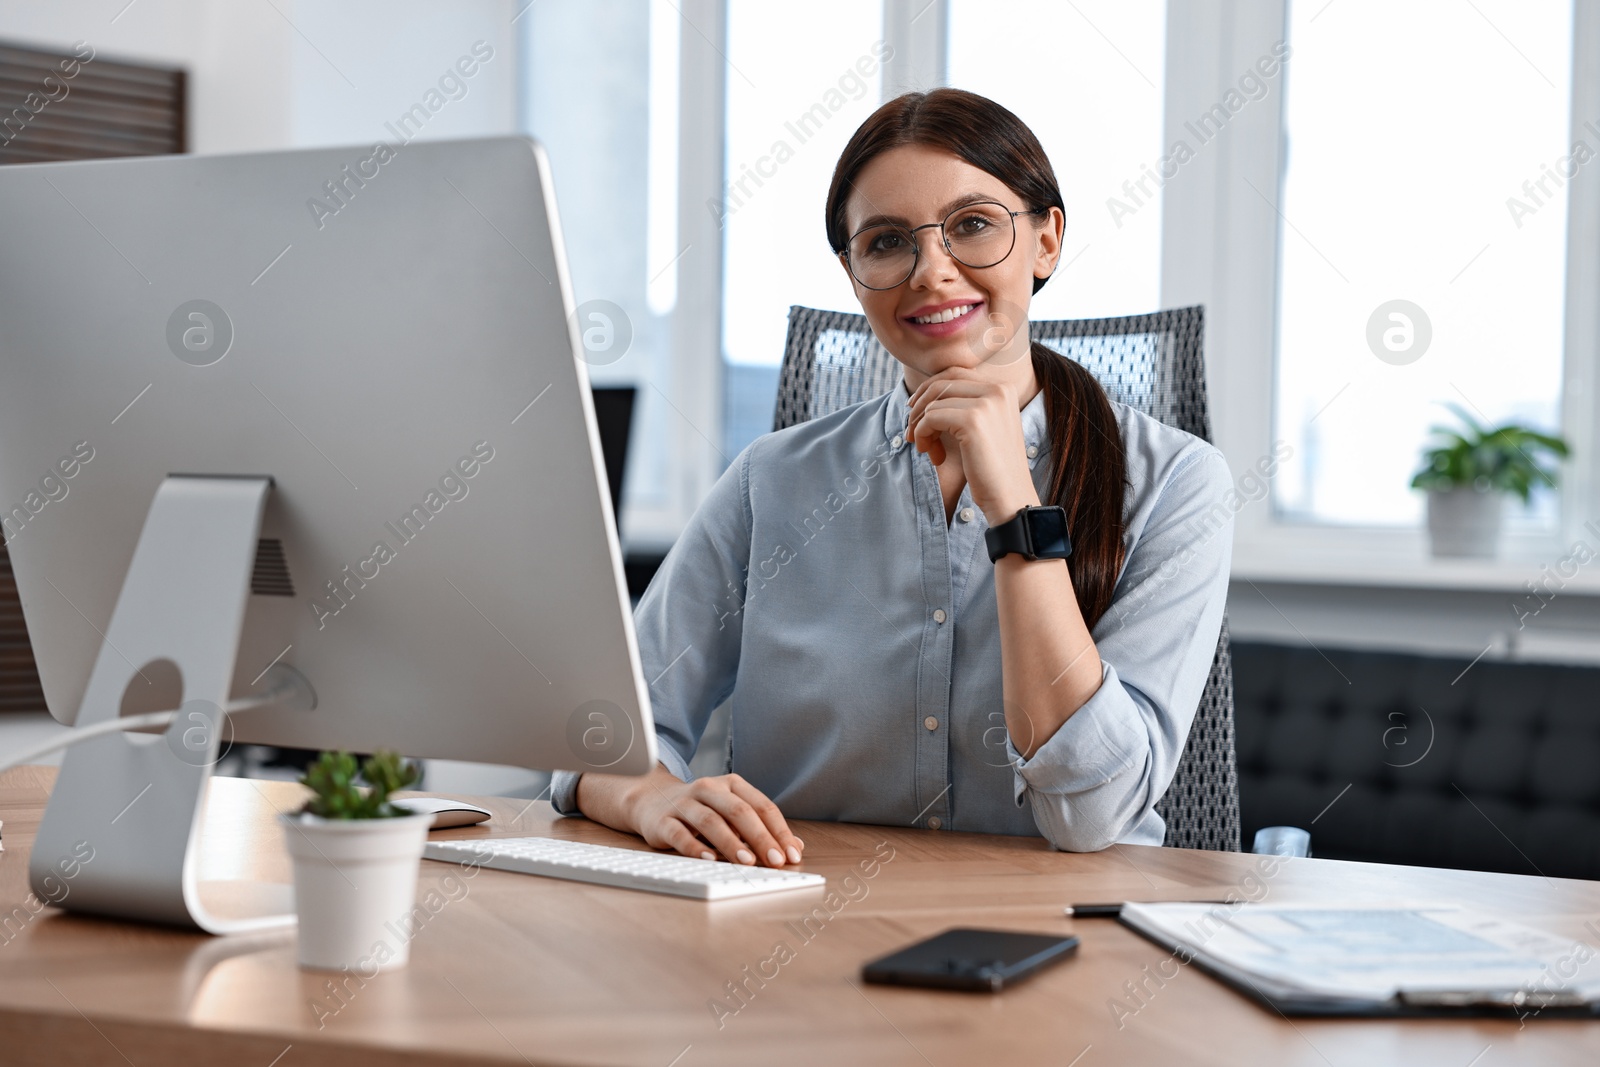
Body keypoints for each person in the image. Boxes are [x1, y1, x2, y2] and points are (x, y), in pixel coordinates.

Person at [552, 88, 1232, 868]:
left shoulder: (1178, 484)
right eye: (886, 241)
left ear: (1046, 242)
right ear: (853, 274)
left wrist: (1014, 503)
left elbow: (1090, 814)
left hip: (1064, 943)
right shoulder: (768, 483)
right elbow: (600, 730)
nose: (932, 271)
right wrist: (652, 795)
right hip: (798, 932)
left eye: (973, 224)